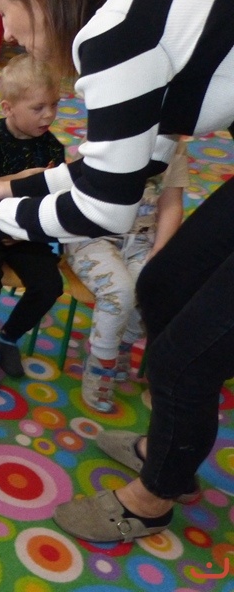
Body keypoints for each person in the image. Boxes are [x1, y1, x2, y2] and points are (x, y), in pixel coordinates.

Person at [0, 0, 234, 543]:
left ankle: (153, 497)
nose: (9, 35)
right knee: (164, 286)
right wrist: (16, 186)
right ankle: (170, 449)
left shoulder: (112, 35)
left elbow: (104, 209)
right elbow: (134, 164)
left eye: (6, 13)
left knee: (184, 356)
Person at [0, 53, 65, 393]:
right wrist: (21, 179)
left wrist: (23, 231)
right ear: (8, 107)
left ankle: (9, 337)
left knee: (49, 286)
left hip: (27, 233)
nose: (48, 115)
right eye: (38, 107)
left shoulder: (52, 148)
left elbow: (54, 201)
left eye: (54, 105)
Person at [64, 141, 189, 413]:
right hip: (92, 237)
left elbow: (171, 204)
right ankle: (101, 363)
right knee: (119, 292)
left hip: (142, 240)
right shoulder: (111, 134)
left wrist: (159, 252)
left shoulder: (175, 147)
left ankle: (122, 343)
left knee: (153, 287)